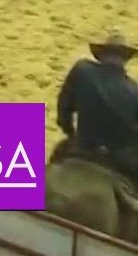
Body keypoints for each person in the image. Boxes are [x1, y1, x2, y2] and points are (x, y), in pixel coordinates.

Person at [56, 30, 138, 186]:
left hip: (83, 147)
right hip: (118, 158)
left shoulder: (82, 69)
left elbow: (63, 110)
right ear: (125, 59)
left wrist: (70, 133)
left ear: (102, 55)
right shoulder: (134, 90)